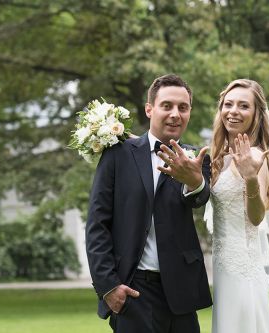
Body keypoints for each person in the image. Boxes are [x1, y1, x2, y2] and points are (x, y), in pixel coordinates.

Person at [86, 74, 212, 333]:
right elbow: (97, 225)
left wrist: (194, 180)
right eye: (167, 105)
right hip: (133, 289)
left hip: (181, 290)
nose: (175, 114)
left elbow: (199, 197)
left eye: (183, 107)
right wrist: (108, 286)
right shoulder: (117, 155)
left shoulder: (196, 159)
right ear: (149, 109)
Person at [205, 79, 269, 333]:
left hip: (243, 271)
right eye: (228, 104)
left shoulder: (257, 157)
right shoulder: (218, 158)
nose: (233, 111)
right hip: (223, 269)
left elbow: (256, 217)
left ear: (256, 114)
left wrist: (249, 178)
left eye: (243, 106)